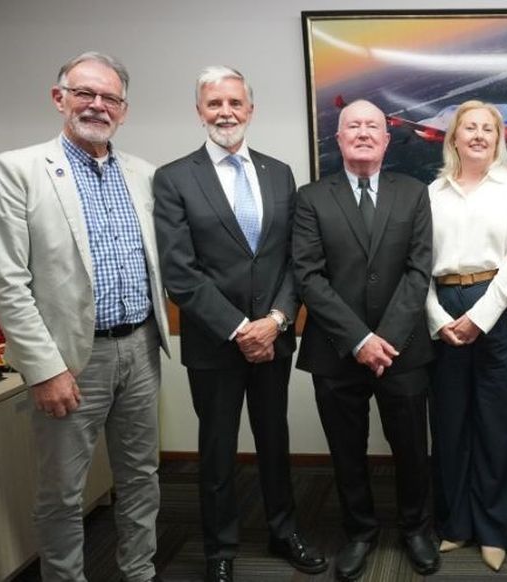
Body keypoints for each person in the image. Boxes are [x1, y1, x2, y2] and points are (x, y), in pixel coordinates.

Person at [0, 52, 170, 582]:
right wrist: (45, 369)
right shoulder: (16, 170)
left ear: (124, 111)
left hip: (140, 348)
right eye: (84, 93)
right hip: (68, 359)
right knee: (63, 492)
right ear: (58, 97)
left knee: (141, 476)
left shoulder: (143, 175)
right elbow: (6, 282)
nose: (97, 105)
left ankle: (139, 572)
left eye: (110, 97)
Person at [153, 66, 326, 581]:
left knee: (275, 440)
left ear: (250, 110)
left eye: (234, 102)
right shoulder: (175, 177)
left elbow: (295, 259)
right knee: (217, 451)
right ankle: (219, 549)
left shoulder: (280, 172)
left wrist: (274, 320)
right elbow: (179, 272)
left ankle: (283, 529)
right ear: (200, 111)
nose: (225, 112)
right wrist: (238, 329)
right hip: (214, 343)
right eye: (214, 104)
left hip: (273, 338)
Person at [292, 99, 439, 581]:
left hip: (403, 349)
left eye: (371, 125)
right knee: (346, 449)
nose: (362, 132)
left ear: (386, 137)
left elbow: (419, 270)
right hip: (336, 350)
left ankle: (416, 529)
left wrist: (386, 339)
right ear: (338, 139)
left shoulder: (414, 193)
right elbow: (308, 276)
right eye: (352, 125)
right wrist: (359, 339)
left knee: (412, 447)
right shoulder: (312, 197)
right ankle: (359, 532)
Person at [424, 100, 507, 571]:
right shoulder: (433, 192)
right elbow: (418, 264)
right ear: (454, 137)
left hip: (500, 309)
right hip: (443, 310)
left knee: (499, 424)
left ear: (498, 138)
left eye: (487, 129)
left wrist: (480, 317)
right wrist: (437, 317)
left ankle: (496, 528)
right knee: (450, 424)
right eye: (469, 127)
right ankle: (456, 525)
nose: (477, 135)